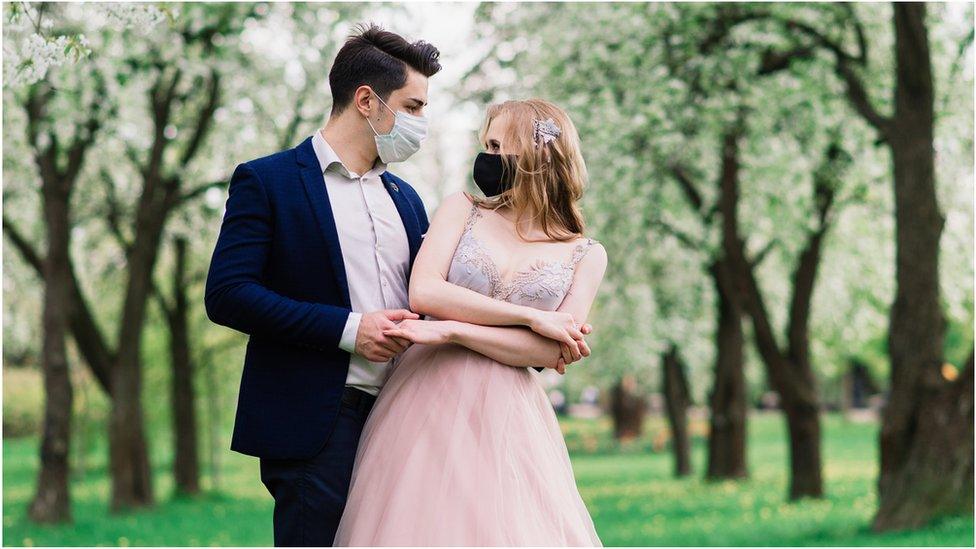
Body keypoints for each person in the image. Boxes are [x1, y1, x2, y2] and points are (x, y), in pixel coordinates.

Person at [204, 25, 592, 546]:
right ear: (367, 100)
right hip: (320, 414)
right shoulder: (270, 182)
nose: (421, 122)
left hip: (413, 408)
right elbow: (228, 294)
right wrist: (349, 329)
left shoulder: (405, 198)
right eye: (413, 107)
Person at [333, 99, 608, 546]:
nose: (487, 157)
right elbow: (426, 291)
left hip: (511, 414)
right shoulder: (462, 210)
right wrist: (533, 317)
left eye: (498, 145)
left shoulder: (586, 254)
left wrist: (453, 330)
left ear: (537, 154)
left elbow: (550, 351)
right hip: (424, 398)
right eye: (486, 144)